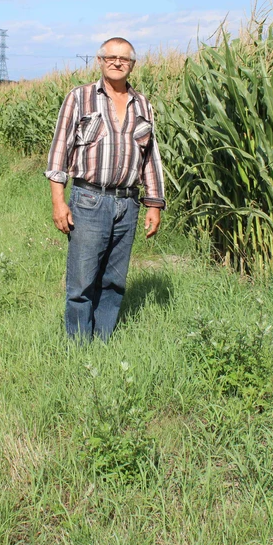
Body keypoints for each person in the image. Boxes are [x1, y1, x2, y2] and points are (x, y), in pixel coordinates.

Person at [45, 37, 166, 341]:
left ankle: (102, 342)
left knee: (114, 281)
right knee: (82, 282)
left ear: (132, 65)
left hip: (128, 203)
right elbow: (59, 152)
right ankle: (77, 348)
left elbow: (150, 156)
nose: (116, 62)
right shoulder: (80, 98)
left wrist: (154, 204)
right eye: (110, 57)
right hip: (89, 199)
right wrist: (58, 202)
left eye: (123, 59)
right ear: (99, 61)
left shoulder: (143, 106)